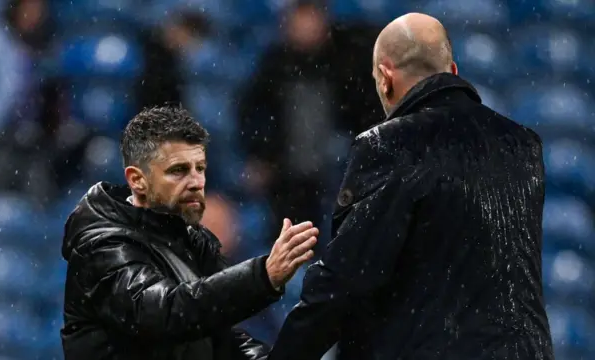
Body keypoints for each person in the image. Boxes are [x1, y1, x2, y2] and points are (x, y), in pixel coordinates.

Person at [268, 13, 554, 360]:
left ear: (386, 78)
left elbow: (347, 279)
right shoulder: (523, 146)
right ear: (453, 71)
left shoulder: (390, 145)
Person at [60, 105, 319, 360]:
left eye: (200, 169)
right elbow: (165, 314)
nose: (196, 183)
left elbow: (219, 340)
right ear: (138, 180)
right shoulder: (101, 246)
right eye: (178, 171)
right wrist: (263, 276)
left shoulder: (191, 242)